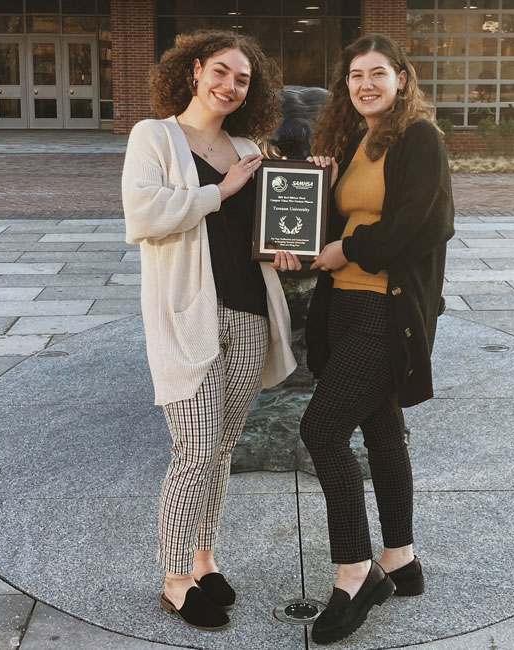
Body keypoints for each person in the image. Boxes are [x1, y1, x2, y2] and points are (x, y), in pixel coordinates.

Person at [121, 30, 302, 632]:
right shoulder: (155, 136)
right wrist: (219, 191)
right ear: (195, 70)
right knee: (193, 448)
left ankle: (204, 559)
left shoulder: (250, 146)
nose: (229, 86)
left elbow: (272, 227)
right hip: (188, 314)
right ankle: (174, 579)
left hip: (250, 311)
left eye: (243, 79)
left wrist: (301, 210)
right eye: (221, 72)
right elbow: (143, 214)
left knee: (221, 449)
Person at [300, 34, 455, 644]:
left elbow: (425, 221)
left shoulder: (420, 138)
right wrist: (319, 190)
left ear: (401, 78)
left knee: (321, 430)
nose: (365, 83)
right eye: (355, 75)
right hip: (344, 302)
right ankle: (400, 559)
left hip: (385, 309)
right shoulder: (357, 141)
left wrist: (350, 247)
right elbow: (343, 219)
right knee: (383, 432)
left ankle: (354, 573)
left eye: (378, 73)